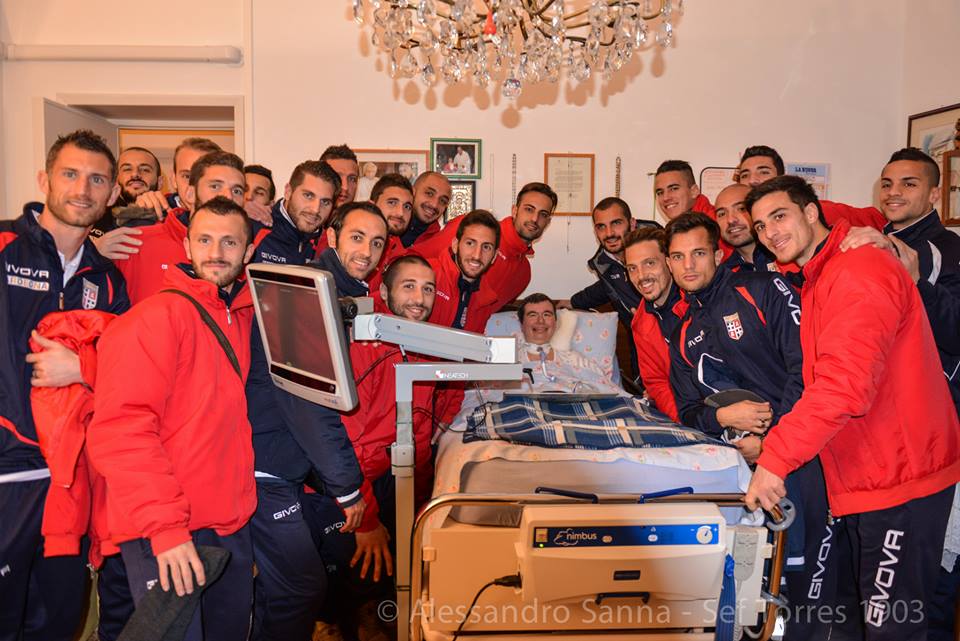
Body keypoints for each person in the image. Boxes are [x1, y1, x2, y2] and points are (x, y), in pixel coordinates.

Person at [744, 176, 960, 641]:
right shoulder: (820, 274)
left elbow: (844, 386)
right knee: (854, 622)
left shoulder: (858, 269)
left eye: (779, 216)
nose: (770, 232)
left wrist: (776, 458)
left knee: (892, 629)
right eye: (760, 226)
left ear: (810, 212)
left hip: (899, 477)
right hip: (866, 474)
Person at [88, 196, 258, 641]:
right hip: (166, 528)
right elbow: (121, 430)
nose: (215, 252)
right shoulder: (156, 316)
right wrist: (166, 530)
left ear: (248, 251)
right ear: (186, 245)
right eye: (204, 240)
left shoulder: (241, 316)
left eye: (229, 242)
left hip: (226, 522)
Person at [664, 212, 829, 639]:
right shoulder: (682, 332)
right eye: (678, 257)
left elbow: (807, 369)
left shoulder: (761, 288)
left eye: (699, 253)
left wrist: (773, 442)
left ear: (718, 255)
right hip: (744, 468)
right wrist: (723, 419)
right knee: (759, 583)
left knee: (806, 579)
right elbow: (688, 411)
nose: (688, 265)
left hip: (803, 456)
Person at [0, 129, 130, 641]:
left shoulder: (108, 278)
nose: (82, 189)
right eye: (70, 174)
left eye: (97, 179)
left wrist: (82, 368)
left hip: (71, 480)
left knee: (58, 621)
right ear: (44, 180)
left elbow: (129, 369)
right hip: (8, 473)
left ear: (112, 192)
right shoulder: (4, 247)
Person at [246, 182, 369, 641]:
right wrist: (348, 487)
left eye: (377, 242)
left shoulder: (331, 291)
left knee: (282, 586)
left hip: (282, 464)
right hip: (268, 466)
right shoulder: (306, 292)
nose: (367, 251)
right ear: (332, 237)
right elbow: (310, 406)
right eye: (357, 237)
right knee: (301, 587)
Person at [333, 255, 438, 640]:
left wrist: (424, 502)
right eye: (408, 286)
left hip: (395, 473)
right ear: (383, 292)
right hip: (352, 483)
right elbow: (347, 445)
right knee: (364, 569)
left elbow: (421, 431)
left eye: (428, 289)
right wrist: (367, 521)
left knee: (407, 557)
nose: (419, 298)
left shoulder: (426, 344)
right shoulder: (365, 347)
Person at [113, 150, 247, 304]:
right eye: (215, 186)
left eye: (237, 191)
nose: (228, 196)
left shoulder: (247, 252)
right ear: (190, 194)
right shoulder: (134, 242)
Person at [414, 182, 557, 309]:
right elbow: (413, 258)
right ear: (515, 210)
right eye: (529, 209)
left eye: (543, 214)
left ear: (548, 222)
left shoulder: (523, 274)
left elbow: (486, 313)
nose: (534, 219)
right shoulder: (472, 227)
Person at [567, 197, 660, 384]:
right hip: (642, 345)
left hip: (674, 336)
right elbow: (606, 288)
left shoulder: (661, 244)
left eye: (616, 223)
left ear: (632, 223)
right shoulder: (605, 265)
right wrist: (571, 302)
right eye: (601, 227)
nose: (609, 233)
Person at [736, 144, 887, 230]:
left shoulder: (816, 209)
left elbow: (882, 221)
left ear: (781, 178)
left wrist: (887, 242)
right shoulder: (733, 225)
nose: (752, 180)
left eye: (763, 172)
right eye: (745, 175)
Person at [623, 227, 685, 421]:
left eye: (649, 263)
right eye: (632, 268)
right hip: (686, 413)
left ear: (669, 262)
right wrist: (685, 420)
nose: (641, 276)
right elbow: (657, 383)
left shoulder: (698, 302)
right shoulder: (640, 323)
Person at [425, 209, 501, 333]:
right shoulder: (427, 274)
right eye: (470, 243)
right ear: (455, 245)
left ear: (494, 256)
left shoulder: (486, 301)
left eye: (486, 247)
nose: (477, 255)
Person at [253, 160, 340, 266]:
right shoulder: (254, 229)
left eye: (325, 202)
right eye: (308, 196)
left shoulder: (328, 244)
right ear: (288, 192)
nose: (315, 209)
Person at [90, 147, 163, 238]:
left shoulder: (173, 219)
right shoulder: (94, 216)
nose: (135, 174)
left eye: (145, 170)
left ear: (160, 182)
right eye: (127, 169)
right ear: (115, 179)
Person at [714, 183, 776, 272]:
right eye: (722, 214)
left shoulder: (786, 254)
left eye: (741, 209)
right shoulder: (725, 274)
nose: (730, 220)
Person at [401, 171, 452, 248]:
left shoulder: (439, 245)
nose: (434, 205)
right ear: (412, 192)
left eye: (442, 201)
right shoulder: (389, 227)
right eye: (429, 194)